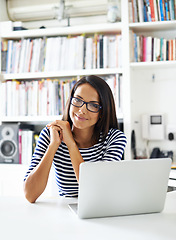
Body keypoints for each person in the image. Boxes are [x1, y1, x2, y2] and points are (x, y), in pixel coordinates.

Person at [24, 75, 127, 203]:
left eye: (93, 105)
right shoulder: (52, 134)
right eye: (78, 100)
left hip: (102, 209)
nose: (82, 110)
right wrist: (53, 146)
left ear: (102, 112)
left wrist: (71, 145)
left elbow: (94, 190)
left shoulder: (114, 139)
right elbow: (30, 194)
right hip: (66, 212)